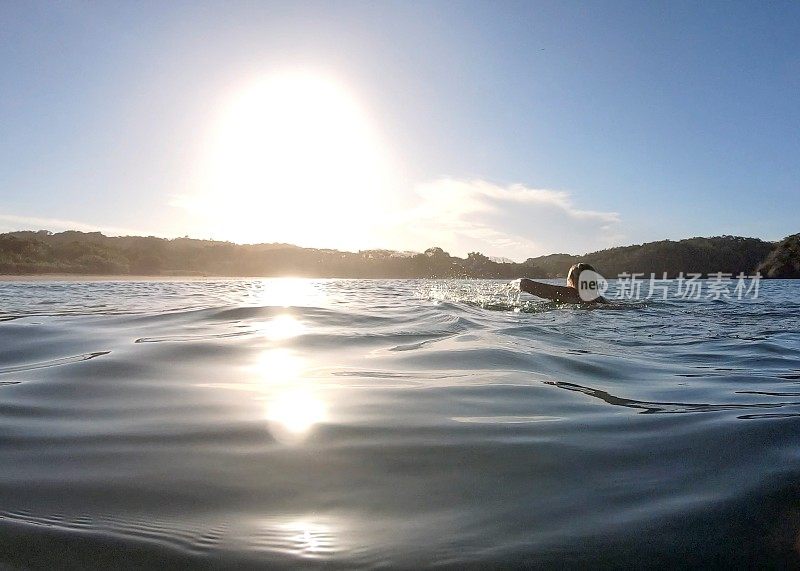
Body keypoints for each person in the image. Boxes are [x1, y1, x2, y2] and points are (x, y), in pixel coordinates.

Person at [519, 263, 608, 304]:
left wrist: (512, 284)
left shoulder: (571, 293)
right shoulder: (600, 299)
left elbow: (524, 284)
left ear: (571, 279)